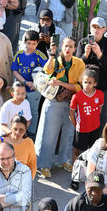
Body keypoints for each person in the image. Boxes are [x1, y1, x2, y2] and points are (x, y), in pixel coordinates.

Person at [34, 36, 84, 179]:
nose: (68, 49)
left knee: (68, 133)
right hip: (53, 100)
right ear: (62, 46)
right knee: (48, 134)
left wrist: (61, 84)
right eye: (66, 46)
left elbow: (80, 86)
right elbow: (47, 71)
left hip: (71, 102)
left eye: (71, 46)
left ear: (75, 49)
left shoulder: (79, 63)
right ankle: (44, 165)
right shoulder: (55, 60)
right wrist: (51, 54)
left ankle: (63, 160)